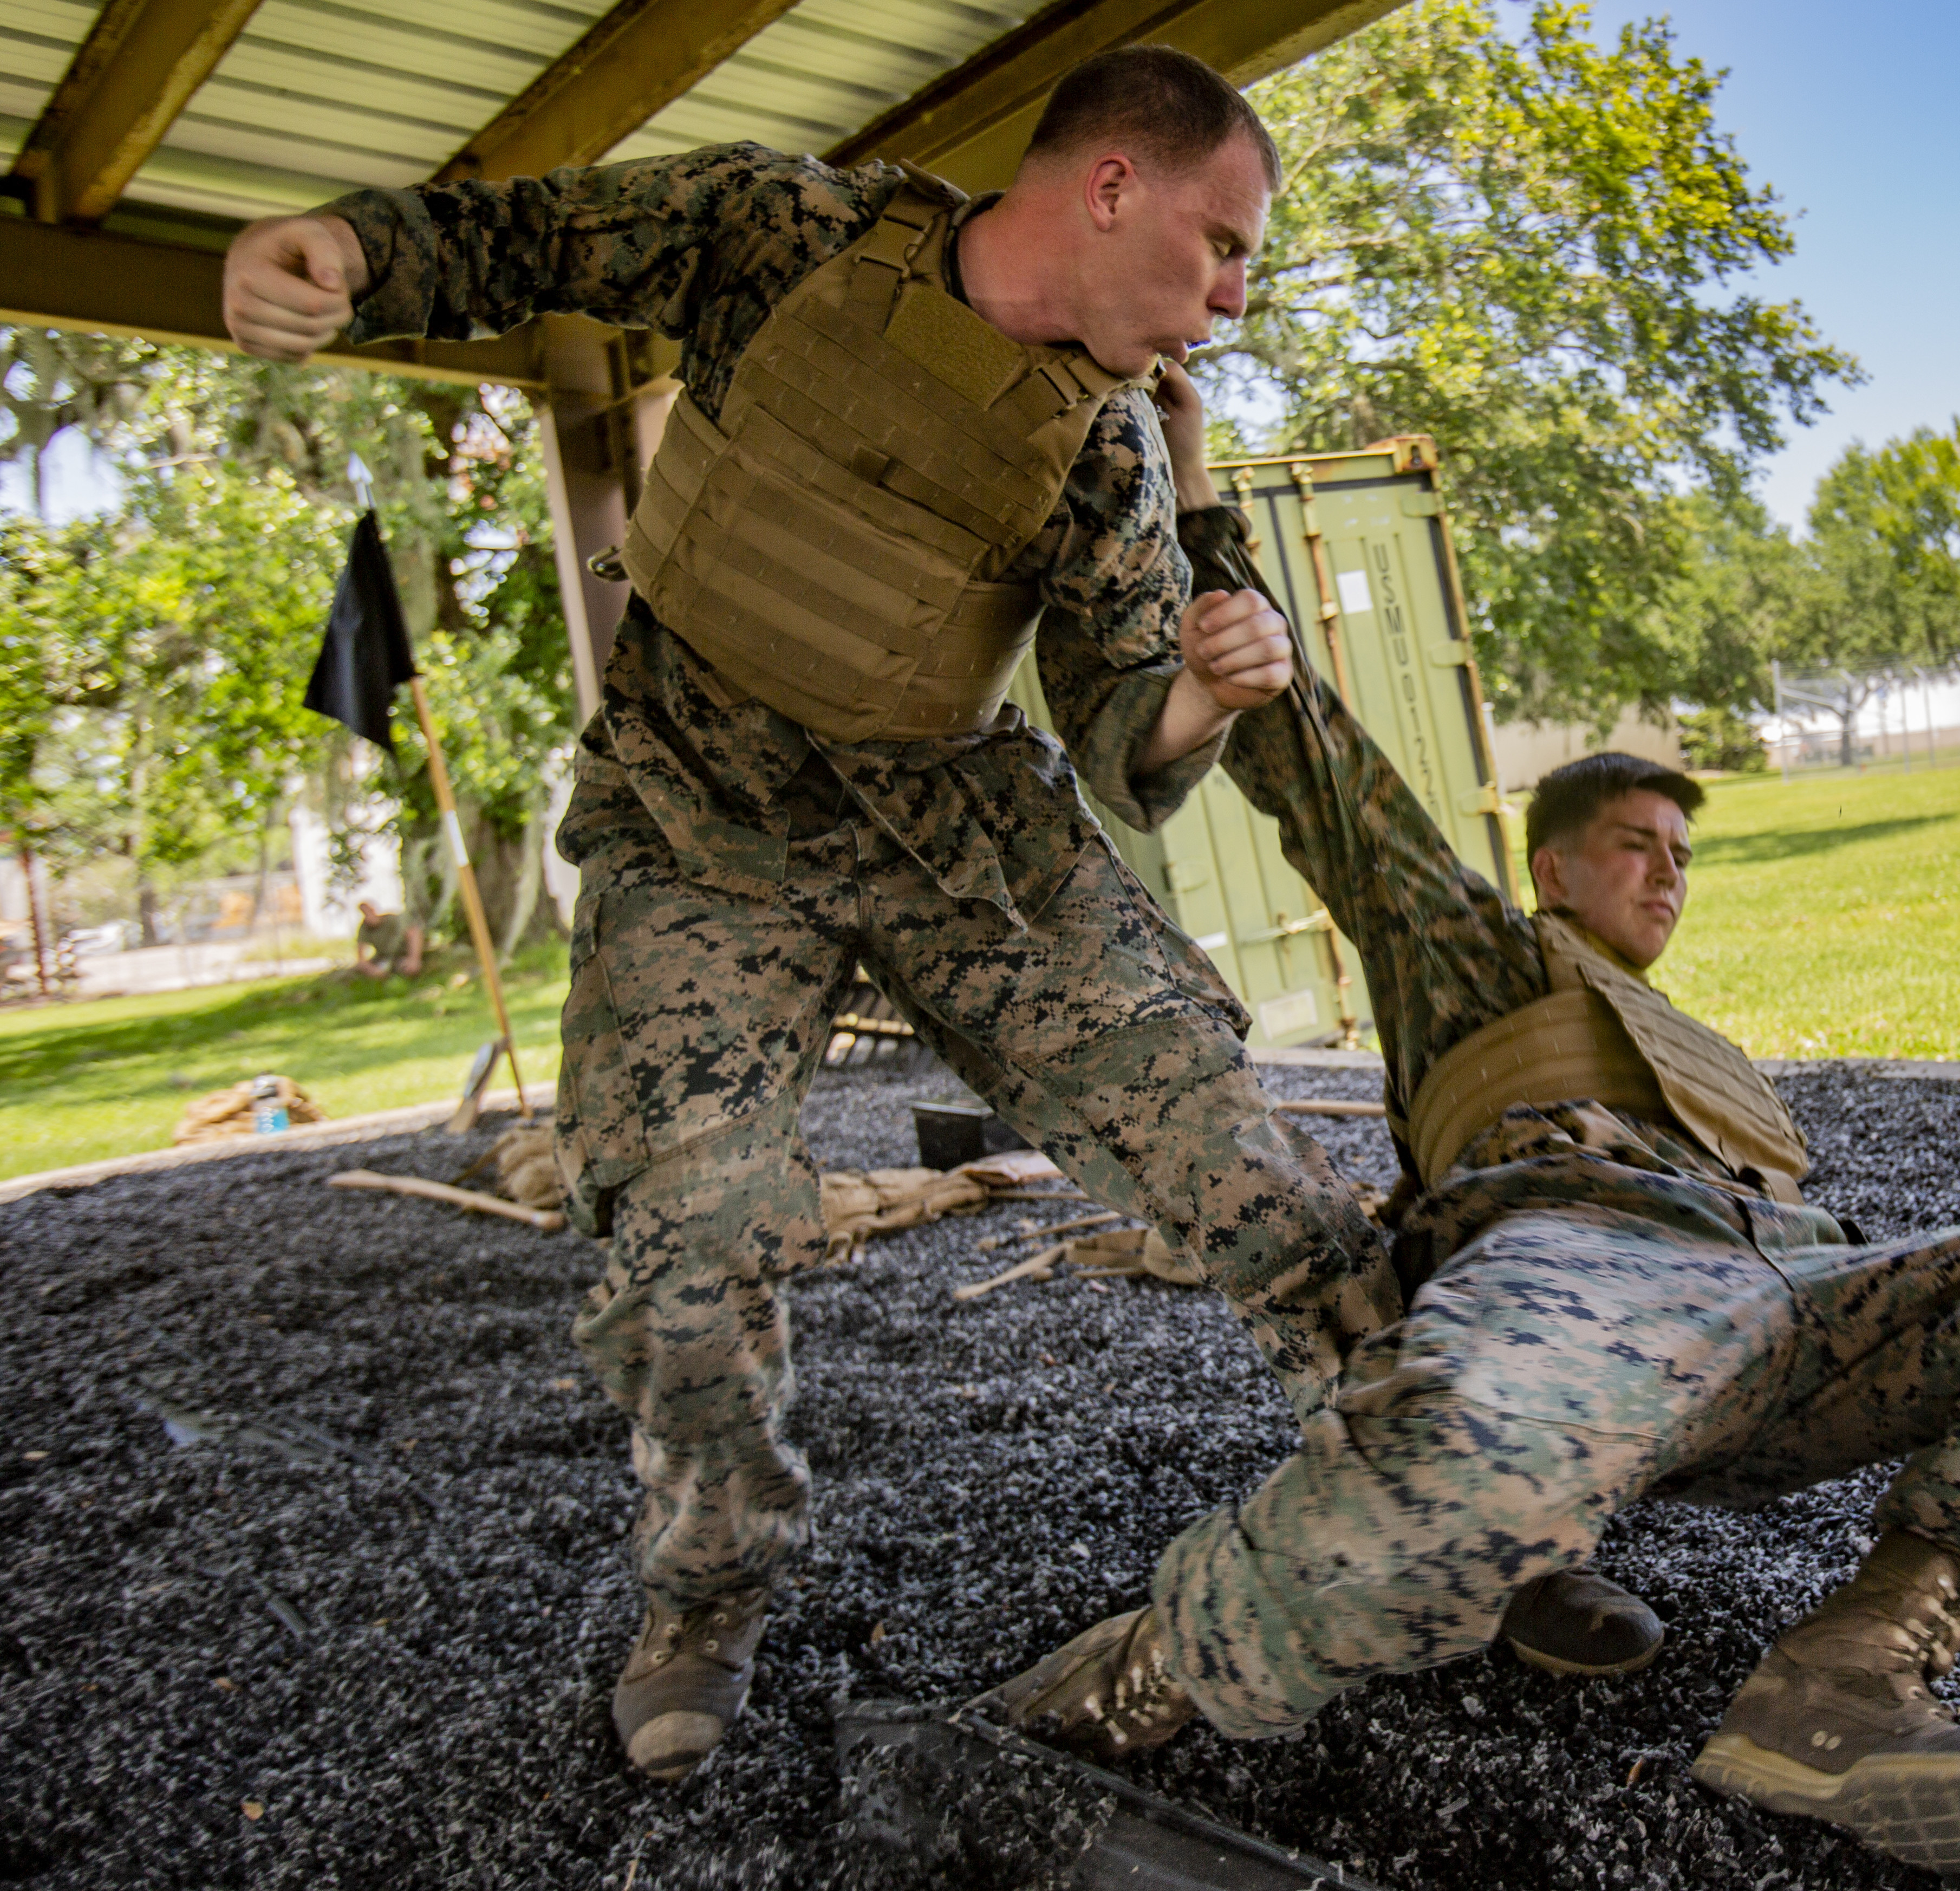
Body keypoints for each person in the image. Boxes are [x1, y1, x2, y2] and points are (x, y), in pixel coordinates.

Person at [218, 47, 1414, 1784]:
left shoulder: (1104, 451)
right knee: (685, 1246)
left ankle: (1449, 1487)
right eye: (1223, 243)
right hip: (700, 815)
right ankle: (705, 1591)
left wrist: (1207, 692)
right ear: (1108, 188)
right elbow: (530, 240)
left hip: (956, 828)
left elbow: (1120, 730)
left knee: (1241, 1162)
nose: (1232, 297)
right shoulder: (782, 231)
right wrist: (343, 248)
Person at [982, 431, 1960, 1881]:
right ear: (1547, 868)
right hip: (1581, 1263)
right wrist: (1205, 503)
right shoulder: (1477, 955)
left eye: (1680, 852)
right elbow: (1318, 771)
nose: (1664, 869)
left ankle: (1848, 1674)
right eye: (1630, 842)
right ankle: (1131, 1680)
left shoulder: (1696, 1052)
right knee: (1448, 1477)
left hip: (1793, 1310)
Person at [351, 899, 422, 978]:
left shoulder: (393, 919)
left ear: (373, 910)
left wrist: (414, 959)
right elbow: (361, 956)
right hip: (385, 958)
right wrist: (371, 969)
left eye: (367, 912)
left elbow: (414, 933)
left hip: (403, 953)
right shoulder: (364, 929)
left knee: (407, 969)